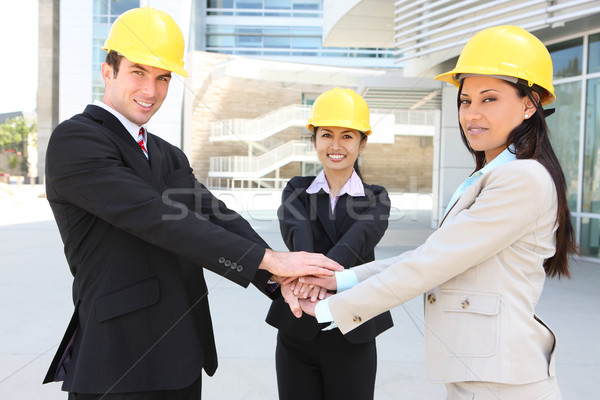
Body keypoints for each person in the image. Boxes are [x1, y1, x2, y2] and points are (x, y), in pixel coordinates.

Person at [42, 7, 341, 400]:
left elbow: (213, 214)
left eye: (162, 78)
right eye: (138, 72)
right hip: (118, 358)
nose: (151, 91)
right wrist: (271, 262)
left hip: (181, 351)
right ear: (108, 72)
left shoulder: (166, 154)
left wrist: (276, 275)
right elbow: (158, 219)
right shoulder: (76, 142)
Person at [298, 25, 577, 399]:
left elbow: (433, 263)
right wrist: (341, 279)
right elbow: (429, 254)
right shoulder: (493, 174)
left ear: (530, 104)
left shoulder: (521, 179)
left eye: (489, 99)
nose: (472, 114)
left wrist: (330, 308)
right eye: (465, 100)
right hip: (481, 371)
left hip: (502, 382)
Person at [265, 88, 393, 400]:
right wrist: (315, 274)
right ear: (315, 140)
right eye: (326, 135)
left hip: (353, 329)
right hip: (298, 330)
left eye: (347, 136)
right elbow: (299, 238)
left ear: (362, 143)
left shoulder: (376, 197)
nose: (335, 146)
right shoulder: (297, 189)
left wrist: (317, 279)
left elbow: (357, 242)